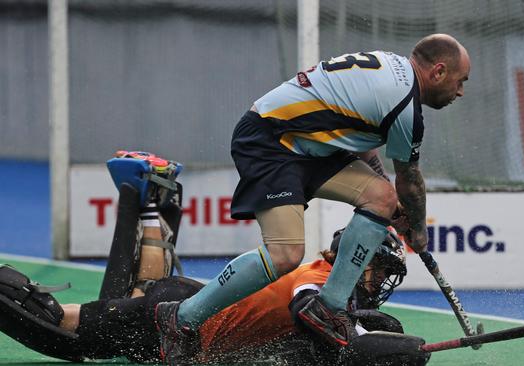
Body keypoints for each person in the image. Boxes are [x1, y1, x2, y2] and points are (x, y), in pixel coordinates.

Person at [155, 33, 471, 362]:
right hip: (271, 139)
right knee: (285, 254)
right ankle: (180, 319)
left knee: (381, 197)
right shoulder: (405, 105)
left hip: (308, 145)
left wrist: (392, 204)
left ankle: (328, 309)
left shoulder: (390, 70)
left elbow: (361, 139)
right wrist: (418, 231)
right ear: (437, 72)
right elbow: (410, 180)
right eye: (461, 81)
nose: (460, 91)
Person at [0, 152, 417, 365]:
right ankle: (142, 200)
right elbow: (307, 306)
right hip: (167, 322)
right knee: (62, 328)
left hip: (182, 306)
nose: (381, 281)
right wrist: (366, 340)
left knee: (132, 296)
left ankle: (149, 205)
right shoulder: (322, 281)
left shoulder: (335, 290)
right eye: (379, 269)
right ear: (356, 258)